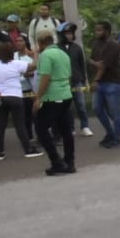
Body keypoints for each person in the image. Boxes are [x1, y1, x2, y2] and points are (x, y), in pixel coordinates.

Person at [0, 43, 39, 160]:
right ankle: (28, 150)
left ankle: (0, 152)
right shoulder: (16, 64)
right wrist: (36, 53)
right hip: (15, 97)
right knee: (20, 125)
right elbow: (33, 66)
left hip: (0, 98)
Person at [32, 30, 76, 176]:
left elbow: (45, 77)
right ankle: (69, 161)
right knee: (65, 129)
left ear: (40, 43)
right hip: (66, 93)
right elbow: (69, 75)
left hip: (51, 96)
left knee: (41, 128)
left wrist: (38, 97)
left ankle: (56, 161)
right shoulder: (63, 54)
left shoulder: (46, 55)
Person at [90, 21, 120, 149]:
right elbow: (91, 59)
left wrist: (95, 80)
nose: (97, 32)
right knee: (97, 109)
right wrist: (95, 64)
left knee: (115, 113)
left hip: (112, 83)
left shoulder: (113, 45)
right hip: (100, 83)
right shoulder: (95, 44)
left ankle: (116, 138)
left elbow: (103, 66)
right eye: (96, 30)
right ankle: (110, 133)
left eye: (99, 30)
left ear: (107, 31)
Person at [59, 23, 94, 137]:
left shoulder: (77, 48)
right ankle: (70, 128)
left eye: (70, 33)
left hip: (77, 80)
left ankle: (85, 126)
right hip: (63, 82)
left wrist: (85, 80)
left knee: (81, 105)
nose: (69, 36)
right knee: (67, 107)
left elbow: (82, 65)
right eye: (67, 33)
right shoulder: (57, 48)